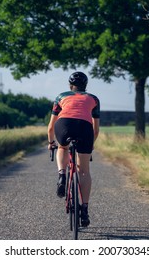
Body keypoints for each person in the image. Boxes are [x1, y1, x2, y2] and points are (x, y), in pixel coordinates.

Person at [47, 71, 100, 227]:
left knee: (63, 147)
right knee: (84, 171)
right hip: (85, 128)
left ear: (70, 85)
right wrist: (90, 144)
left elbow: (51, 127)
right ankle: (84, 210)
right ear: (86, 85)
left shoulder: (60, 97)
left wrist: (51, 143)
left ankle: (62, 175)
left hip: (64, 125)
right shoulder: (94, 99)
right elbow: (96, 130)